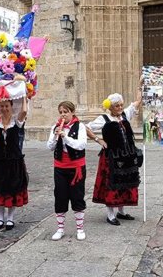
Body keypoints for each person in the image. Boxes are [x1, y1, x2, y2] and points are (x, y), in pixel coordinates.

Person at [88, 89, 143, 225]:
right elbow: (85, 127)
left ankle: (121, 211)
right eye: (117, 106)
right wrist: (98, 139)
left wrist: (140, 87)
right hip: (111, 157)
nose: (120, 108)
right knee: (112, 184)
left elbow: (137, 102)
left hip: (127, 156)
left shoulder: (125, 115)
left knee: (125, 182)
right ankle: (110, 215)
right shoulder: (104, 119)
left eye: (121, 105)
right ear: (110, 107)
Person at [47, 101, 90, 241]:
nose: (63, 114)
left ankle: (80, 229)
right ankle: (60, 229)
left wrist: (66, 136)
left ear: (72, 112)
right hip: (60, 167)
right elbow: (50, 147)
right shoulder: (55, 127)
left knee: (77, 196)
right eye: (61, 112)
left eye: (65, 111)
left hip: (76, 167)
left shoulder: (81, 127)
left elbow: (81, 145)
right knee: (60, 197)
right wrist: (55, 136)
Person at [0, 96, 28, 230]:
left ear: (11, 106)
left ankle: (10, 218)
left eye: (6, 106)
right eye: (1, 106)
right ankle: (0, 217)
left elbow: (24, 111)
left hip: (13, 161)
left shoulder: (16, 122)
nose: (4, 109)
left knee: (12, 188)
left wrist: (24, 95)